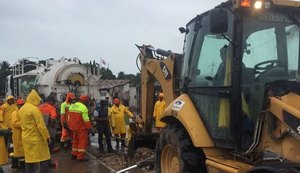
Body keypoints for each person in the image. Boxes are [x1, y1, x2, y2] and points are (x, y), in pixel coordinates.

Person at [18, 89, 51, 173]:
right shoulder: (34, 109)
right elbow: (41, 126)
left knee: (29, 160)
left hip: (26, 138)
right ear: (34, 99)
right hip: (37, 139)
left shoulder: (21, 109)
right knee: (44, 158)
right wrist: (47, 137)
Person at [68, 95, 92, 161]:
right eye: (87, 101)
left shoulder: (72, 106)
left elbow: (69, 118)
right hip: (81, 128)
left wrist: (70, 126)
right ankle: (80, 157)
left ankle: (74, 154)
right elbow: (86, 120)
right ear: (83, 101)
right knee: (82, 142)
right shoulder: (83, 108)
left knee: (75, 141)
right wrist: (90, 128)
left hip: (73, 128)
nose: (87, 102)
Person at [39, 95, 58, 167]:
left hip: (40, 131)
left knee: (43, 148)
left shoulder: (39, 107)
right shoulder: (52, 108)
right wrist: (53, 125)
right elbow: (53, 118)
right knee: (49, 148)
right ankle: (47, 163)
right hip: (49, 132)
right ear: (50, 101)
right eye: (53, 102)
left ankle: (43, 162)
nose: (54, 103)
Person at [10, 99, 25, 171]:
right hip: (17, 135)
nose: (22, 106)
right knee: (19, 152)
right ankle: (21, 168)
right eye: (21, 105)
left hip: (21, 134)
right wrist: (25, 123)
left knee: (19, 152)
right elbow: (15, 123)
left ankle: (15, 165)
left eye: (23, 104)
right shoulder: (15, 113)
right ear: (17, 105)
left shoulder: (20, 112)